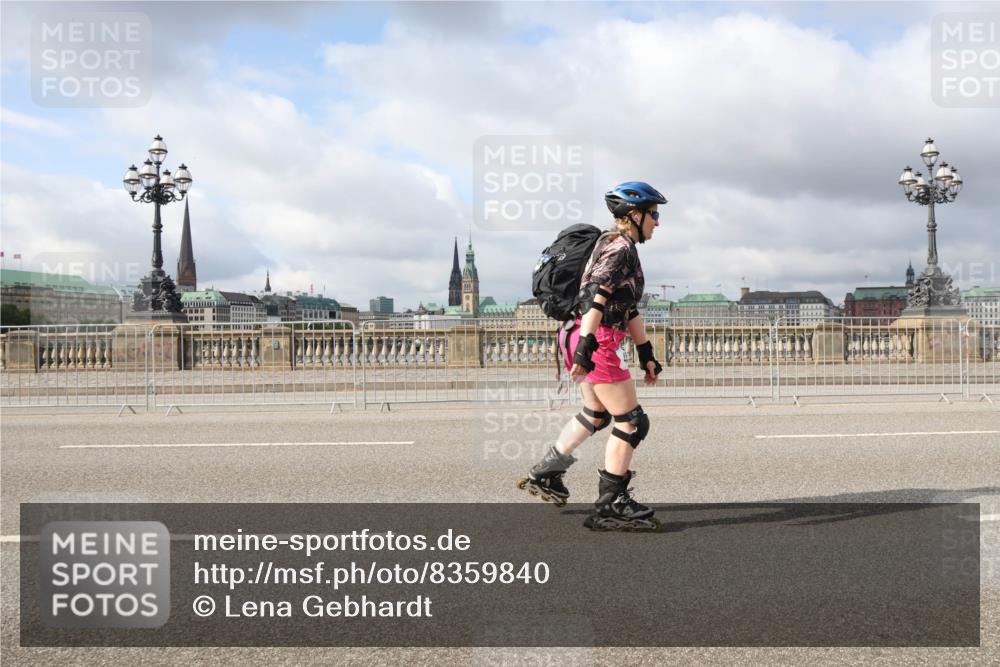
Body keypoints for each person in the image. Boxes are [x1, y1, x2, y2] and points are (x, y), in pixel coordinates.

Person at [518, 182, 666, 531]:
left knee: (595, 414)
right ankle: (611, 504)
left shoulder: (608, 244)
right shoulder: (621, 249)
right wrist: (588, 345)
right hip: (594, 337)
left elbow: (625, 306)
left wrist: (645, 351)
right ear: (634, 215)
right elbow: (596, 295)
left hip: (575, 334)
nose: (657, 222)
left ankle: (546, 473)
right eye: (654, 214)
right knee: (631, 422)